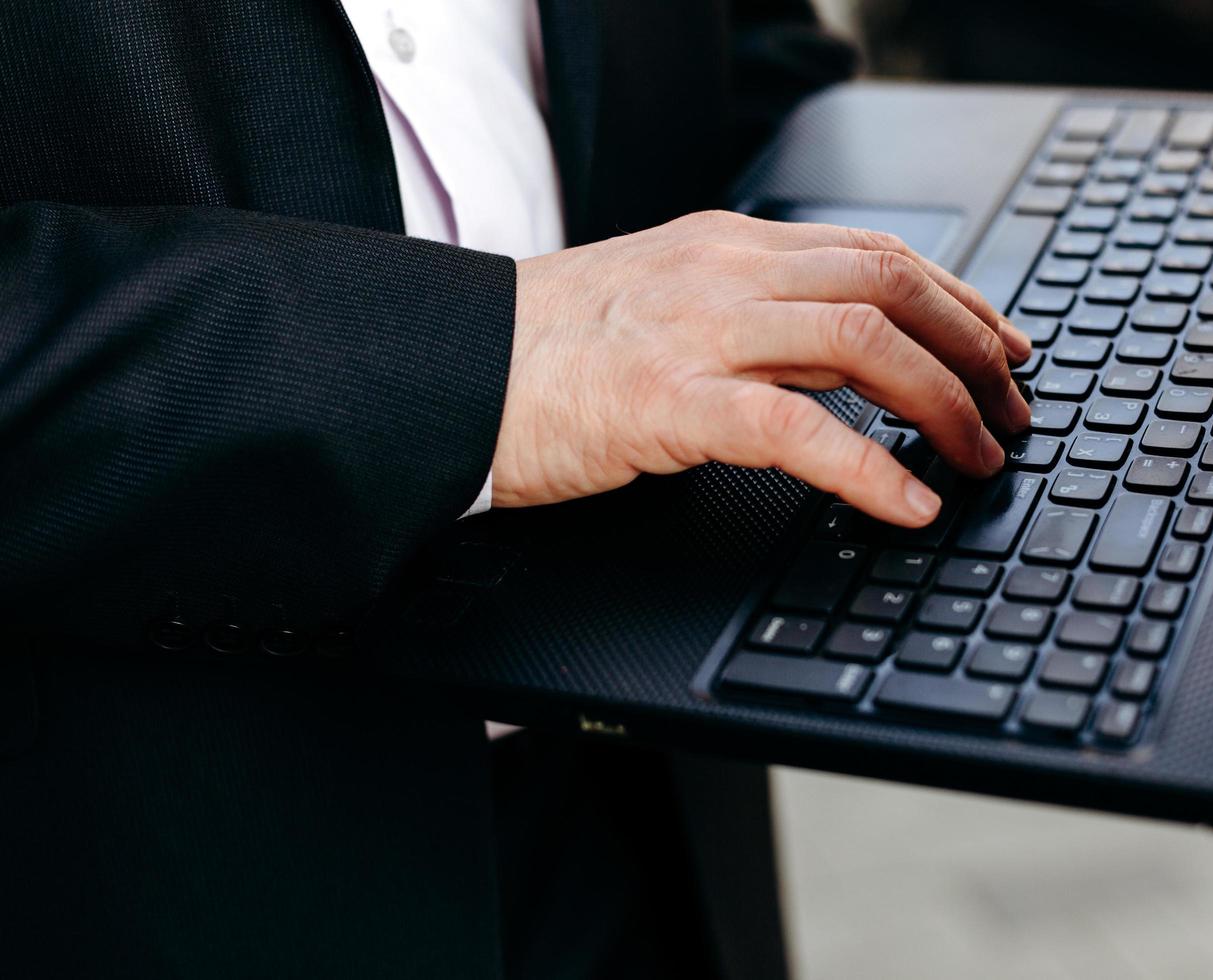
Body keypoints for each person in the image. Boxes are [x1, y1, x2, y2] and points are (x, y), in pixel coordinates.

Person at [0, 2, 1035, 978]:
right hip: (154, 845)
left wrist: (880, 265)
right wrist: (491, 358)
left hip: (639, 777)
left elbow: (759, 46)